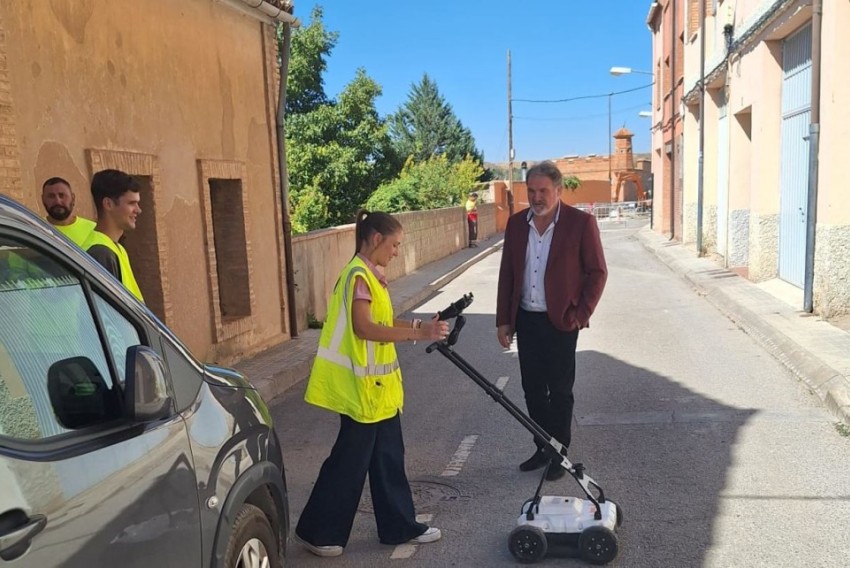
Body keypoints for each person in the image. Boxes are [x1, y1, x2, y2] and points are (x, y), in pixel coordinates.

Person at [294, 209, 450, 558]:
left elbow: (381, 321)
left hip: (378, 393)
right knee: (349, 464)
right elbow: (364, 328)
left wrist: (416, 327)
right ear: (376, 239)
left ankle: (398, 526)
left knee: (387, 459)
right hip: (361, 392)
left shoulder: (369, 275)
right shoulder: (359, 276)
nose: (396, 251)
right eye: (394, 244)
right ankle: (318, 533)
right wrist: (419, 334)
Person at [496, 161, 607, 481]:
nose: (537, 197)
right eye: (531, 191)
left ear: (558, 190)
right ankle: (543, 445)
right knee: (532, 389)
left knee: (559, 390)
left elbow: (598, 272)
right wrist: (504, 320)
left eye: (543, 190)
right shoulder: (517, 225)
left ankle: (559, 452)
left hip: (561, 321)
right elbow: (508, 274)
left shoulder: (580, 223)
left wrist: (581, 314)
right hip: (527, 319)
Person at [82, 169, 144, 302]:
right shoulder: (100, 253)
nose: (138, 210)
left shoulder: (117, 249)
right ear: (108, 204)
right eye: (131, 203)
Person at [41, 177, 96, 247]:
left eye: (62, 195)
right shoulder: (36, 229)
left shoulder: (92, 230)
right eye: (51, 196)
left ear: (73, 198)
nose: (57, 201)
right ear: (43, 199)